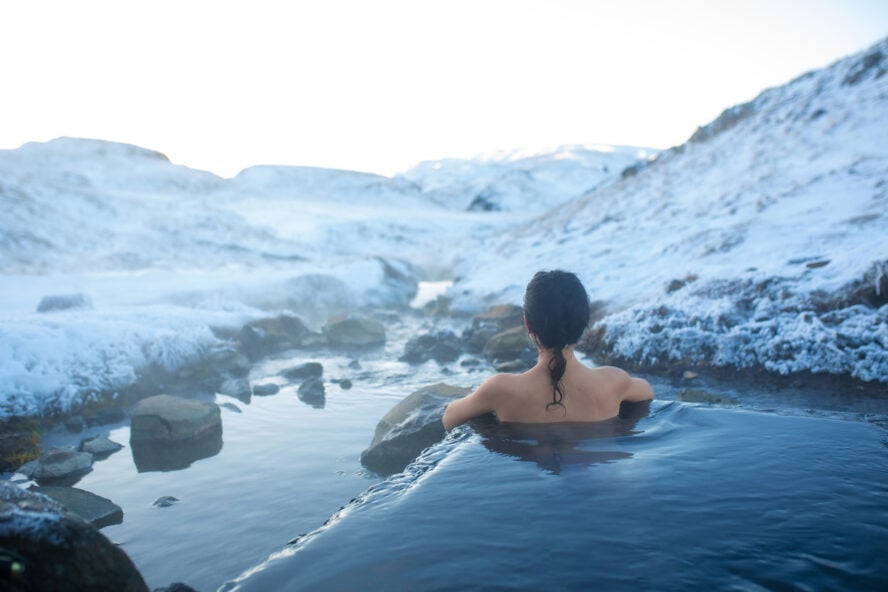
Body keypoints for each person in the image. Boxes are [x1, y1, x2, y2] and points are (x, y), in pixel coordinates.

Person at [443, 270, 653, 430]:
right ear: (583, 323)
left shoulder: (501, 389)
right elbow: (647, 391)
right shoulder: (614, 381)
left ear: (527, 323)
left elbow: (449, 418)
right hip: (606, 484)